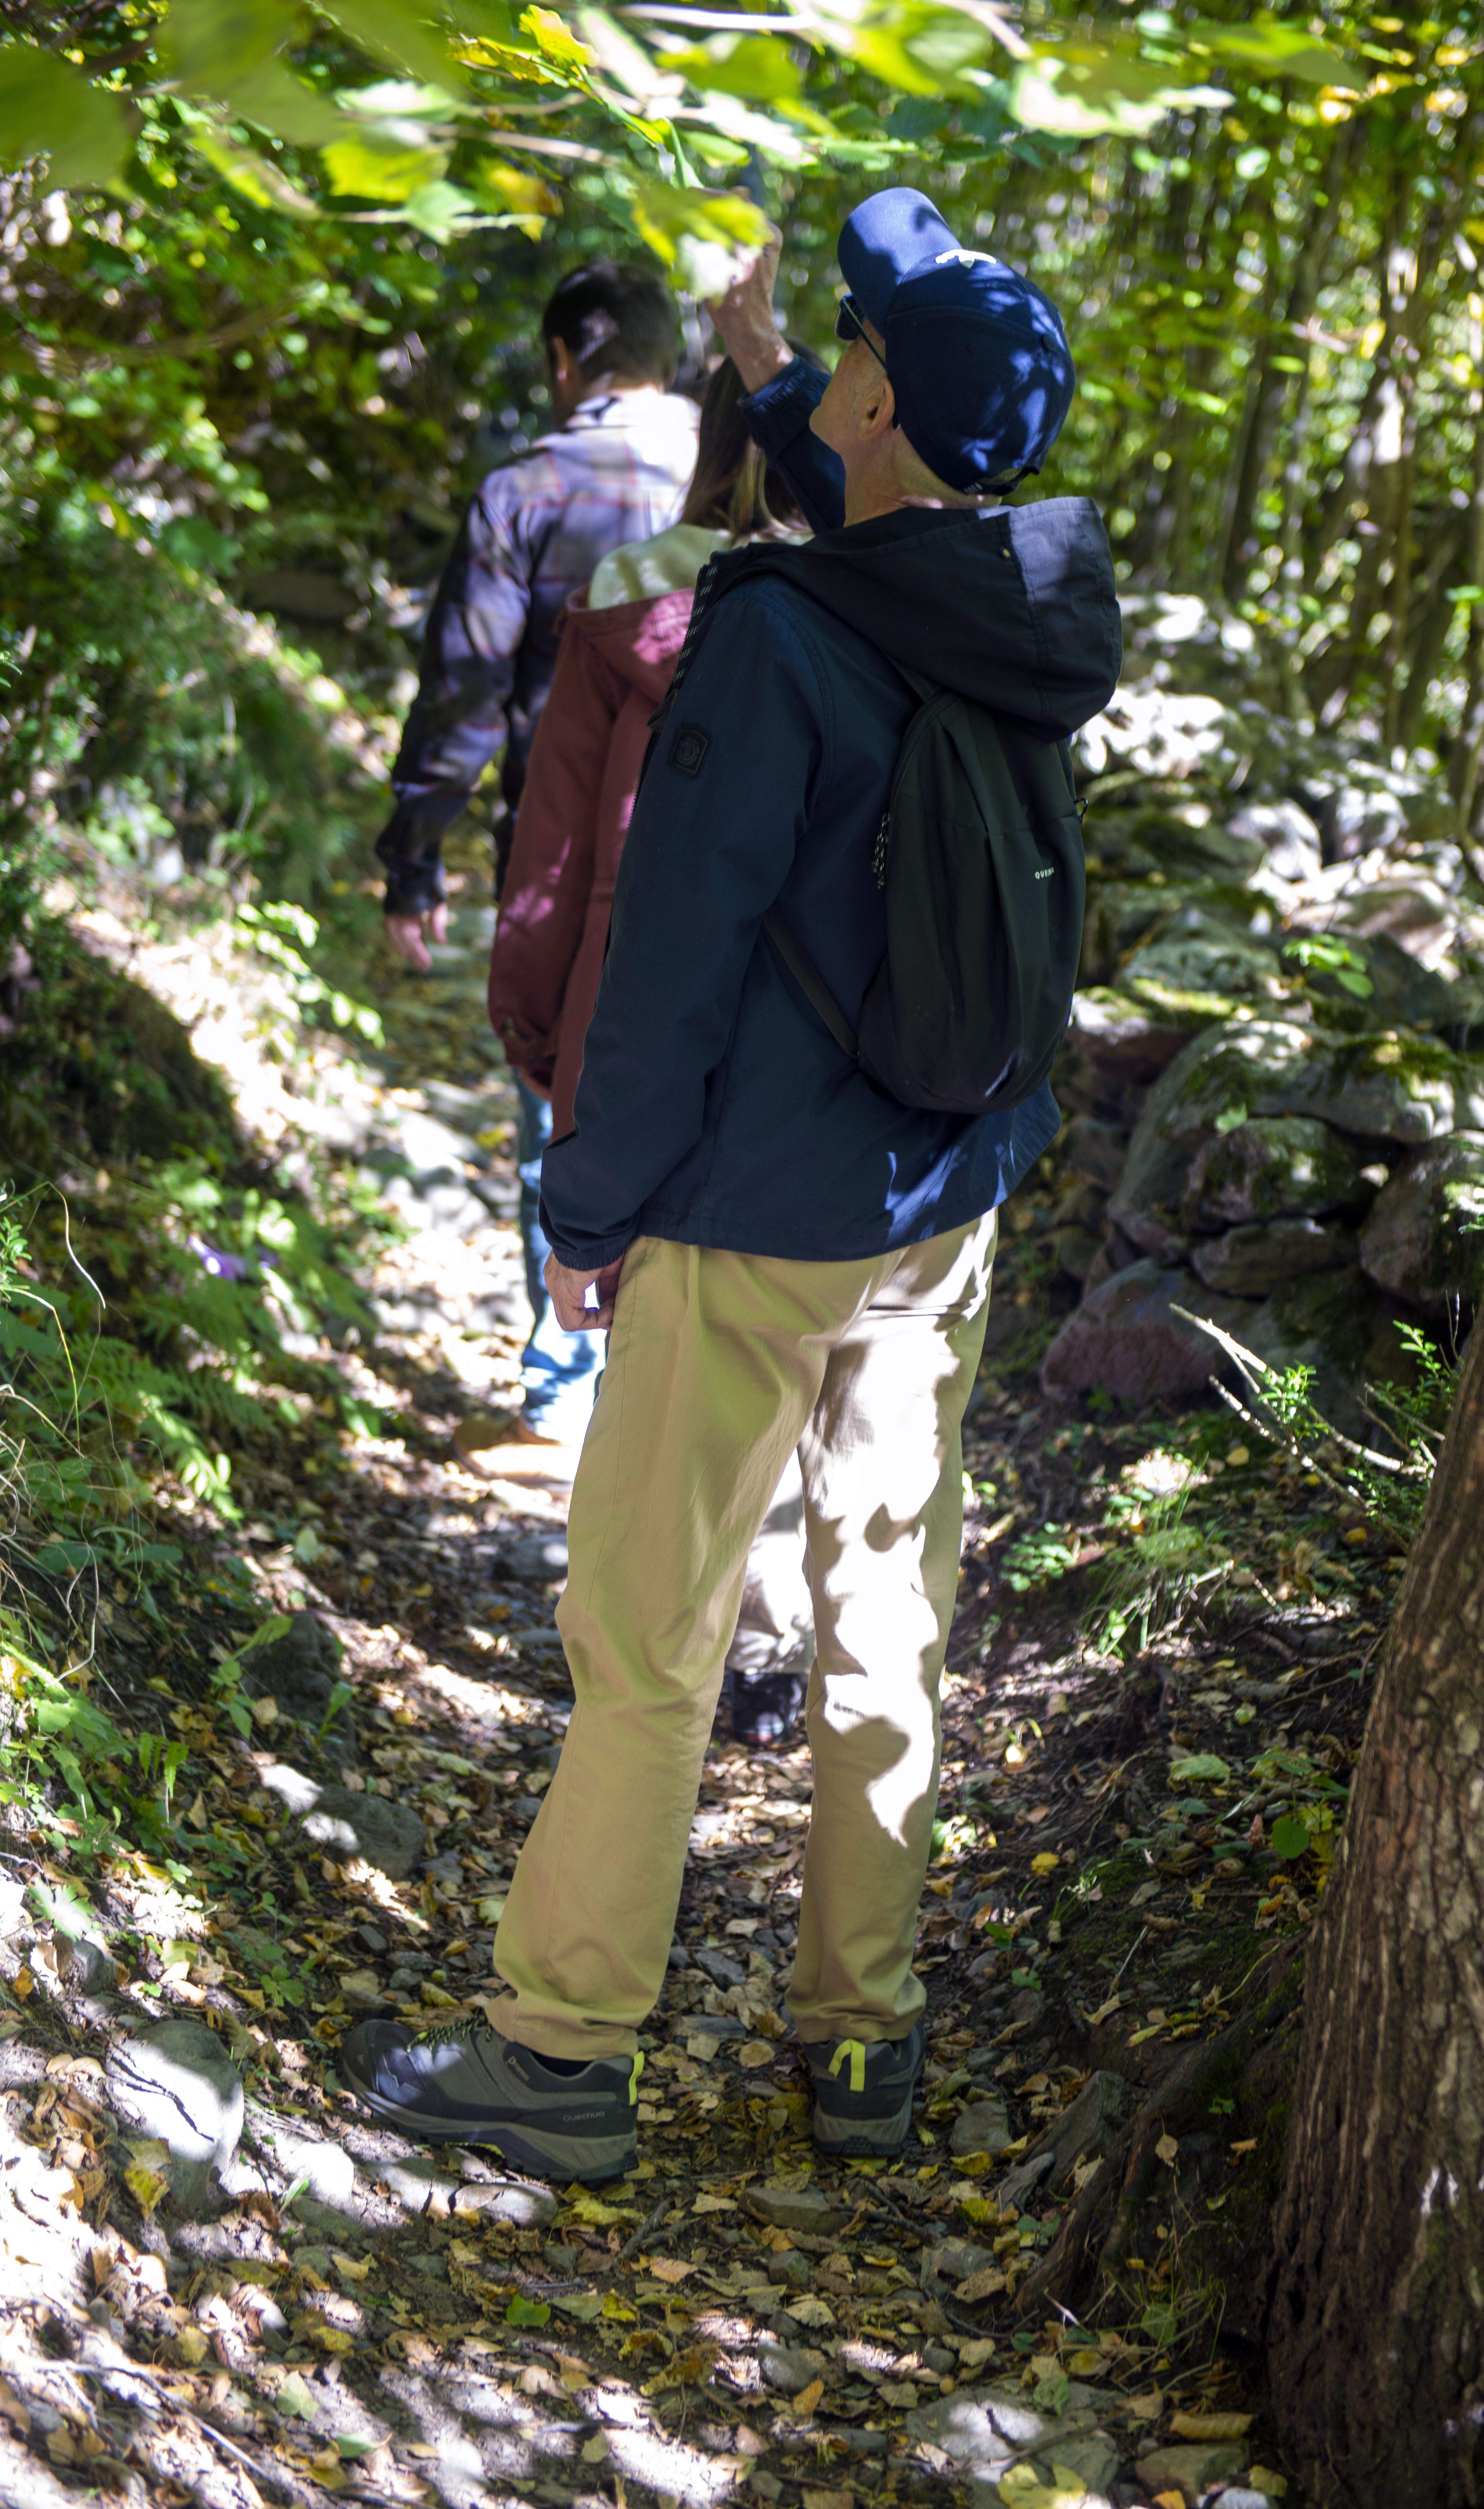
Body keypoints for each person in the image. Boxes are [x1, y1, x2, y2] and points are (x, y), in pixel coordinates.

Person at [342, 187, 1122, 2184]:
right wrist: (773, 351)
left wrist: (585, 1212)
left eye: (854, 356)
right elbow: (870, 491)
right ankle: (864, 2043)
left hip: (751, 1216)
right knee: (888, 1629)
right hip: (944, 1207)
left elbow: (678, 958)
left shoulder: (778, 638)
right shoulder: (1022, 598)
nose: (833, 372)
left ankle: (562, 2046)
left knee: (651, 1633)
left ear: (876, 399)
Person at [487, 354, 818, 1737]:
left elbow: (551, 853)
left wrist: (536, 1029)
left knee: (648, 1346)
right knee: (787, 1359)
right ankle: (769, 1639)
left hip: (633, 1033)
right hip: (810, 1060)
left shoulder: (632, 601)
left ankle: (643, 1667)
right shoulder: (863, 611)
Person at [375, 262, 700, 1458]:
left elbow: (465, 691)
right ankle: (665, 1388)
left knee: (559, 1105)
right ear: (674, 361)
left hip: (557, 866)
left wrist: (416, 859)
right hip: (735, 866)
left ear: (564, 362)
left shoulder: (527, 489)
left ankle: (568, 1376)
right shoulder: (757, 482)